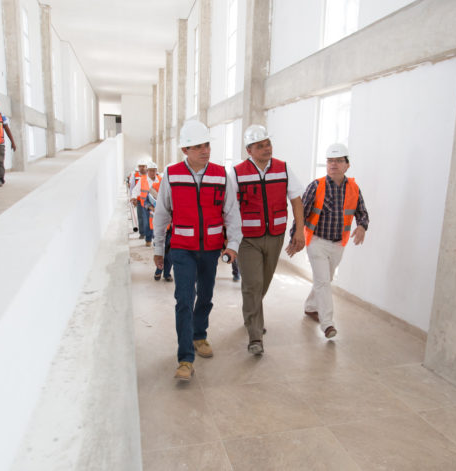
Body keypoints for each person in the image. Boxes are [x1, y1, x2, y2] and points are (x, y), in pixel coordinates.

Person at [153, 120, 242, 381]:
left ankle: (199, 334)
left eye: (207, 145)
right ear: (185, 150)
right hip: (182, 248)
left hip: (211, 248)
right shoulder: (172, 174)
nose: (205, 150)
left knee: (205, 295)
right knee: (183, 299)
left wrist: (232, 245)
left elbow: (232, 213)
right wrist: (159, 248)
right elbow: (161, 215)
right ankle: (185, 358)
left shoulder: (220, 175)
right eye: (198, 146)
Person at [231, 125, 306, 355]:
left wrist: (300, 231)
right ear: (249, 150)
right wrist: (229, 239)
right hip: (247, 239)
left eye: (268, 144)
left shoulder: (283, 168)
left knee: (261, 284)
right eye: (260, 145)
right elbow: (230, 207)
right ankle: (255, 337)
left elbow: (296, 200)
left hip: (275, 236)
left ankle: (250, 314)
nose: (266, 148)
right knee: (253, 284)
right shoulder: (236, 172)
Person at [288, 143, 369, 338]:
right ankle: (327, 324)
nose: (333, 164)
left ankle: (310, 306)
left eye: (338, 161)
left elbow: (362, 213)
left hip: (338, 244)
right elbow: (302, 214)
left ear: (347, 165)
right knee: (324, 281)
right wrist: (294, 238)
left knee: (325, 279)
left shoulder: (354, 188)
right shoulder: (316, 186)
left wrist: (362, 226)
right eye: (330, 161)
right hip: (316, 241)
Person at [144, 162, 172, 281]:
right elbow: (146, 203)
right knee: (160, 249)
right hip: (159, 225)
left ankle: (166, 274)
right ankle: (159, 270)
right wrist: (153, 208)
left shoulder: (178, 188)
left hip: (173, 226)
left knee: (170, 251)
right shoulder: (154, 188)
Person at [131, 160, 160, 247]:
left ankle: (156, 239)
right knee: (147, 223)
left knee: (156, 223)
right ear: (148, 171)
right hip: (146, 205)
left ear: (156, 171)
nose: (152, 172)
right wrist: (134, 197)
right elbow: (135, 190)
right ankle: (148, 239)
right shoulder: (143, 179)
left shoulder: (160, 180)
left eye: (154, 170)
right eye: (150, 170)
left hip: (157, 206)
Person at [129, 159, 149, 240]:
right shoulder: (136, 175)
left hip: (149, 201)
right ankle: (142, 233)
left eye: (143, 166)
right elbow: (133, 188)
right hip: (139, 200)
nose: (142, 168)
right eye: (140, 166)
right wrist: (133, 198)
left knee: (147, 218)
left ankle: (148, 233)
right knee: (141, 217)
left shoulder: (152, 176)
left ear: (146, 167)